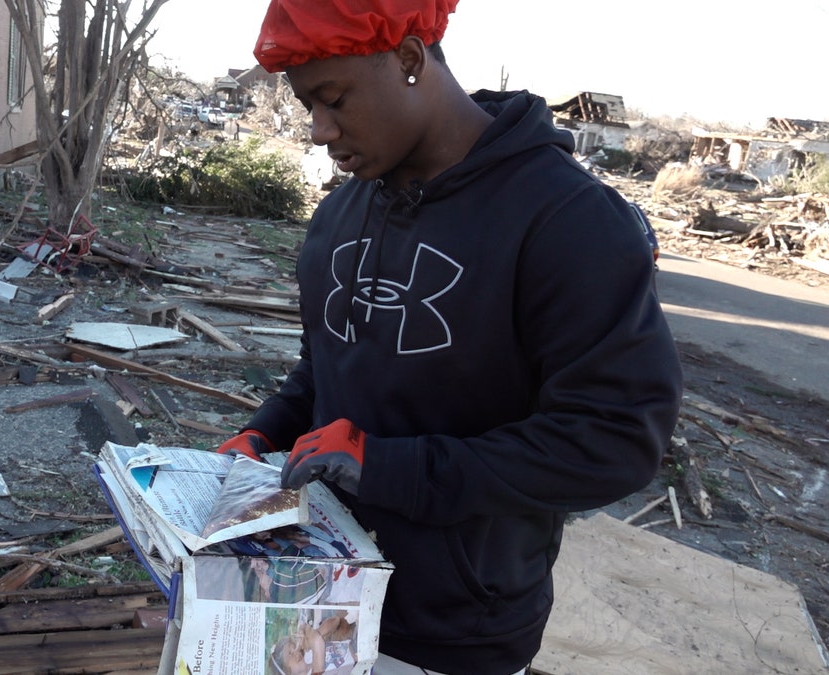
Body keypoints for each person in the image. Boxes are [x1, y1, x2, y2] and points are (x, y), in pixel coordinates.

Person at [216, 1, 684, 673]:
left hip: (454, 634)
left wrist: (393, 469)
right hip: (317, 601)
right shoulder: (339, 216)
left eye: (334, 98)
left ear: (409, 60)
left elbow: (614, 439)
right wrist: (264, 434)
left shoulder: (567, 222)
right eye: (306, 106)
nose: (320, 130)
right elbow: (325, 370)